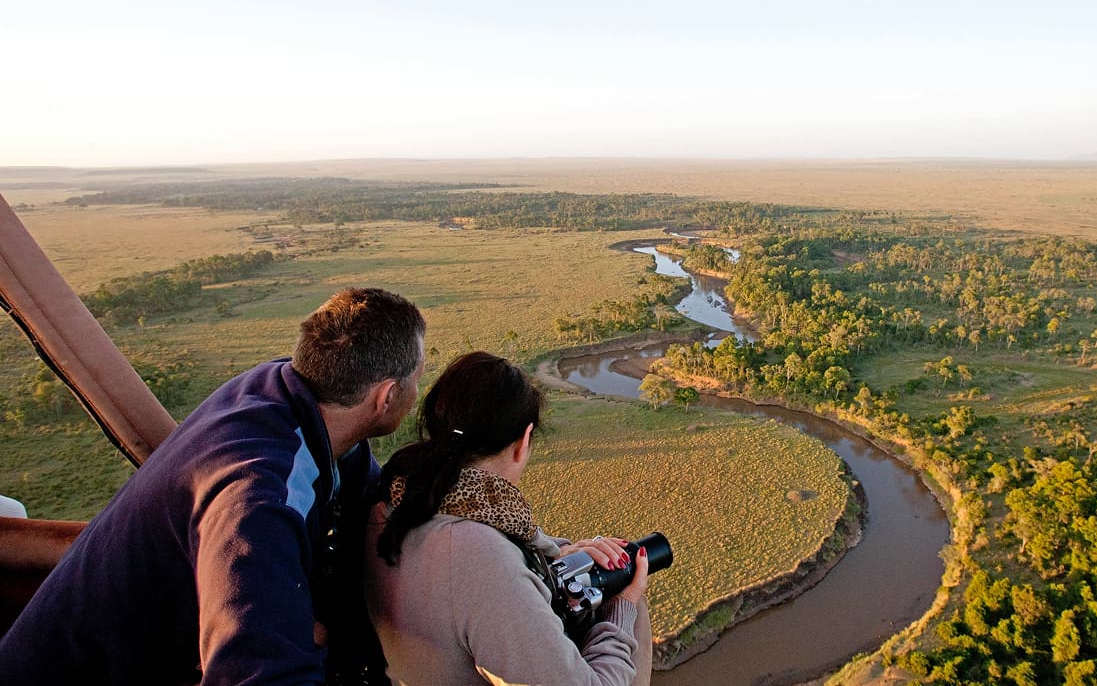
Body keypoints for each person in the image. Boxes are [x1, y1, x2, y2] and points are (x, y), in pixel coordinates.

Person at [0, 287, 426, 686]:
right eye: (417, 380)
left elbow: (363, 492)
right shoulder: (259, 497)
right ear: (386, 397)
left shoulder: (289, 394)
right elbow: (259, 675)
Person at [366, 351, 653, 686]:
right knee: (635, 613)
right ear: (524, 442)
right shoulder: (476, 554)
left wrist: (559, 557)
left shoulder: (393, 501)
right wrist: (621, 609)